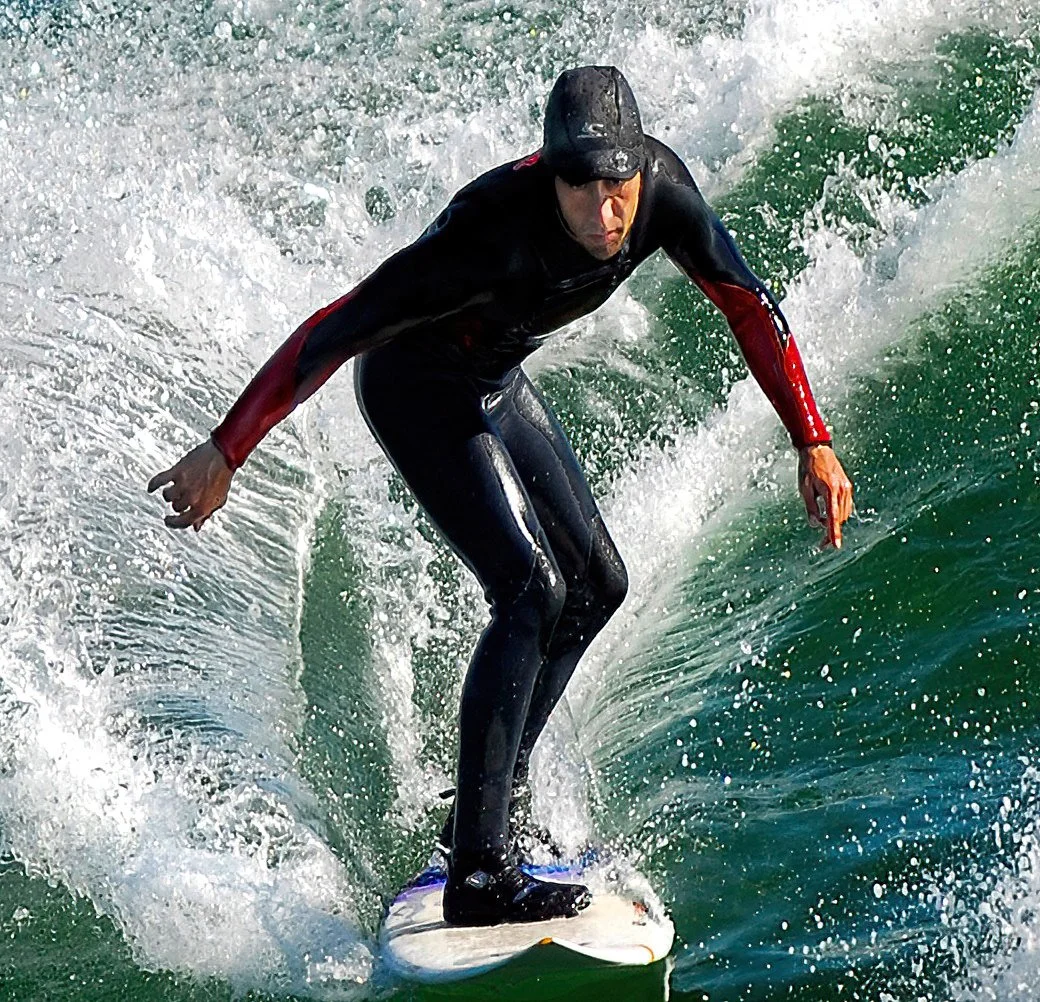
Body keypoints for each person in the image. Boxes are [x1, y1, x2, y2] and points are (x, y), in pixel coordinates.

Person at [148, 65, 854, 927]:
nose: (608, 215)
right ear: (550, 173)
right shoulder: (484, 239)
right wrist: (226, 449)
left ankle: (480, 810)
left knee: (597, 585)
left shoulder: (660, 190)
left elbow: (747, 305)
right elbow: (333, 330)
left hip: (492, 376)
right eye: (584, 190)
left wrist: (811, 438)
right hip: (415, 388)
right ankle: (479, 877)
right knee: (530, 591)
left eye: (619, 186)